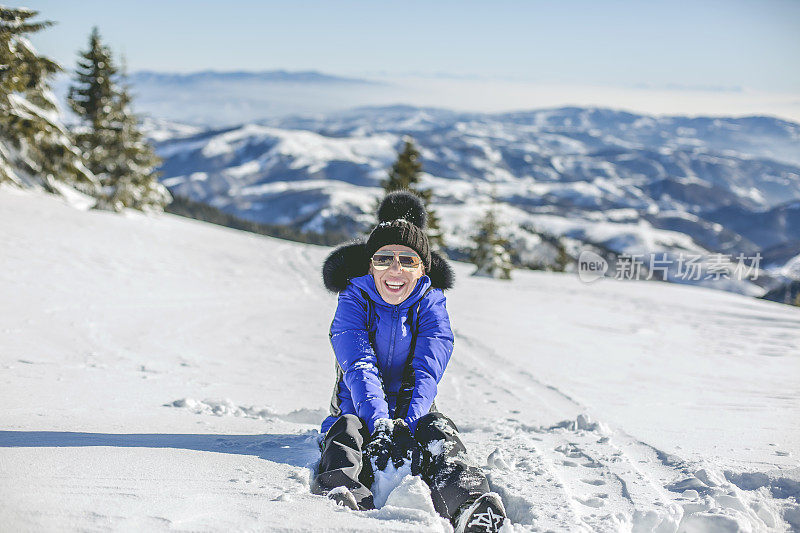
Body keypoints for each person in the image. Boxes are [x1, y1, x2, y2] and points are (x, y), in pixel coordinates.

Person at [312, 191, 507, 533]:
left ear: (422, 268)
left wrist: (407, 422)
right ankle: (343, 502)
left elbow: (428, 367)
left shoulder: (431, 304)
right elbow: (358, 363)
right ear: (369, 263)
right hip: (357, 403)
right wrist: (379, 422)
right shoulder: (354, 298)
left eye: (408, 259)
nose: (395, 268)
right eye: (384, 258)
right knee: (346, 432)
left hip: (413, 406)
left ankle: (470, 505)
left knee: (439, 433)